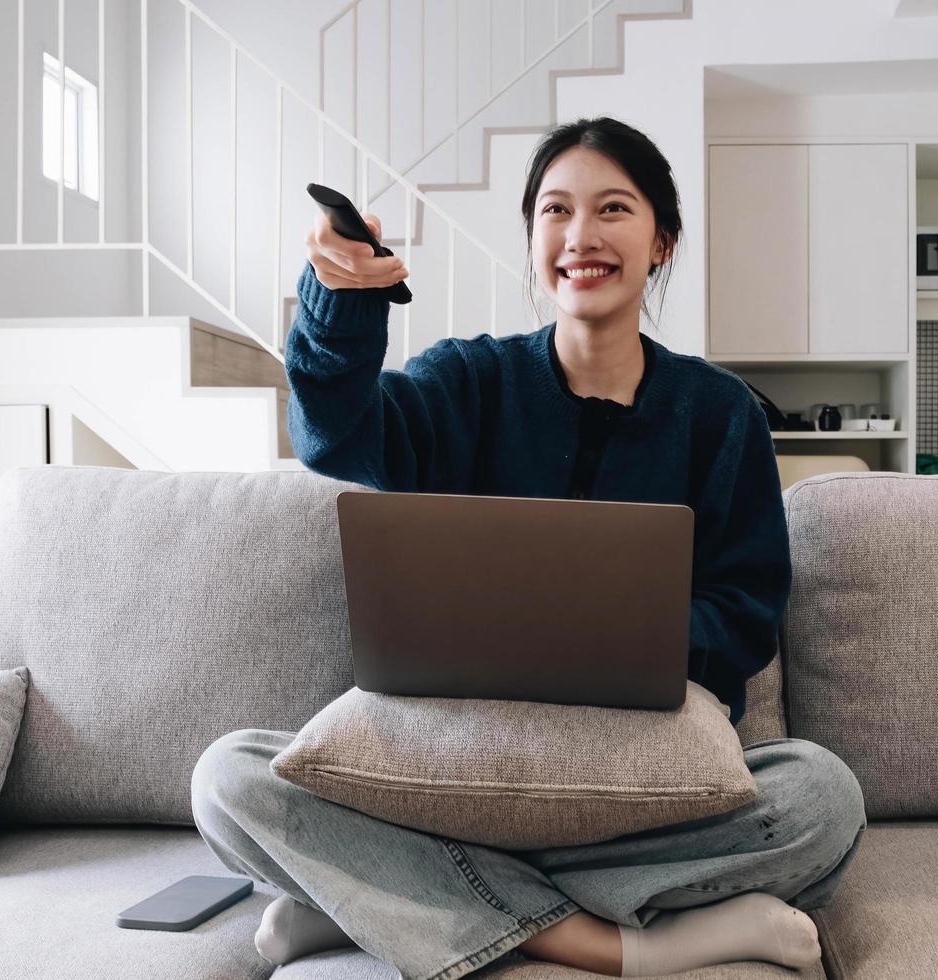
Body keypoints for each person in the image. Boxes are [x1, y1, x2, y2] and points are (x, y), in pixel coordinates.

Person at [191, 116, 865, 980]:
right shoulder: (465, 381)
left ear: (661, 241)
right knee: (228, 780)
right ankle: (619, 945)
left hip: (637, 778)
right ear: (534, 237)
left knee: (821, 796)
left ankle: (382, 903)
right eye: (556, 211)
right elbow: (337, 438)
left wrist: (613, 638)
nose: (581, 235)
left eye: (613, 209)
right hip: (458, 770)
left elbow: (744, 614)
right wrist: (342, 303)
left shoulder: (721, 413)